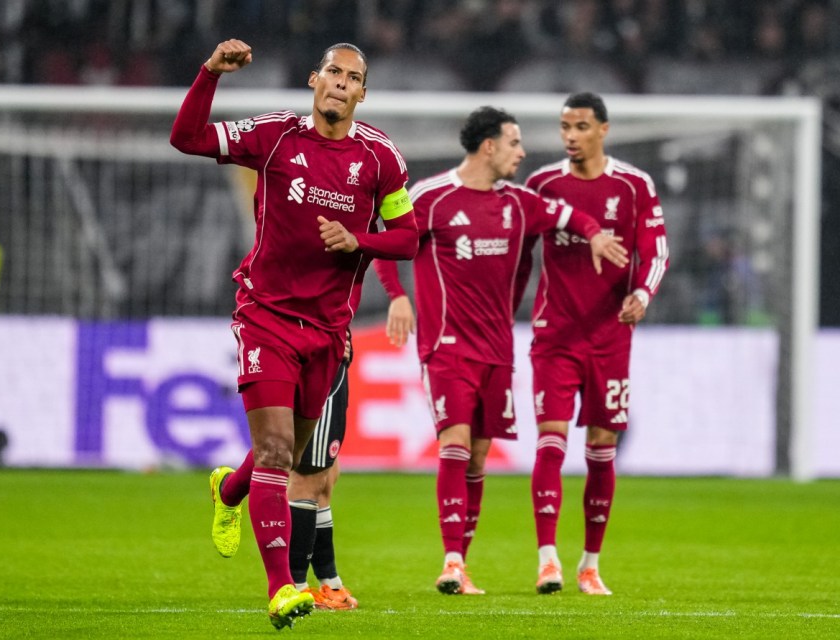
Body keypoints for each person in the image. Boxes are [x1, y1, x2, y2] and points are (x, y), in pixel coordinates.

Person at [170, 39, 417, 629]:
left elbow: (407, 237)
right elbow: (188, 138)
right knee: (280, 451)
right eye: (332, 71)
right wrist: (209, 73)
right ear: (314, 80)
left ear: (362, 93)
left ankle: (230, 490)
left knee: (289, 452)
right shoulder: (275, 136)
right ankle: (283, 587)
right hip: (267, 316)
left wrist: (361, 241)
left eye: (352, 77)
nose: (339, 82)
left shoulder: (382, 159)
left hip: (329, 331)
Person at [374, 106, 628, 596]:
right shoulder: (431, 197)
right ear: (488, 146)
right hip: (446, 348)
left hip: (498, 352)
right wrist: (399, 297)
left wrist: (595, 234)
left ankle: (460, 566)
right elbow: (387, 244)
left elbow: (570, 215)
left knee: (478, 457)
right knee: (455, 442)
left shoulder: (519, 203)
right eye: (515, 143)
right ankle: (449, 561)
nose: (523, 152)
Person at [522, 92, 670, 596]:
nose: (570, 135)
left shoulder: (633, 185)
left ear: (603, 129)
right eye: (564, 126)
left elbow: (656, 250)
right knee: (551, 440)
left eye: (581, 126)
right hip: (555, 336)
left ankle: (589, 564)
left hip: (610, 338)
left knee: (602, 449)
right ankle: (547, 560)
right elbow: (522, 247)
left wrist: (643, 293)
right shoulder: (543, 183)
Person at [287, 331, 358, 611]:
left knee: (326, 477)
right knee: (307, 478)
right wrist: (322, 338)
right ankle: (296, 586)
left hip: (330, 352)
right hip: (317, 358)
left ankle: (329, 581)